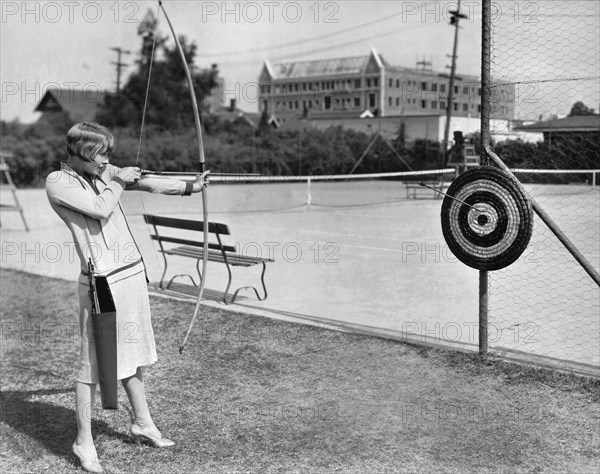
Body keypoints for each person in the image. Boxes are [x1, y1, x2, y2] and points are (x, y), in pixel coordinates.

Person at [46, 121, 209, 473]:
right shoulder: (58, 182)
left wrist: (191, 186)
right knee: (91, 366)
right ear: (83, 153)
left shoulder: (107, 171)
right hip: (100, 283)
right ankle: (83, 442)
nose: (107, 160)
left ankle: (143, 422)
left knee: (132, 354)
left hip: (131, 275)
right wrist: (118, 180)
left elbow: (148, 181)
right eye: (101, 154)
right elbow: (101, 207)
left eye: (108, 154)